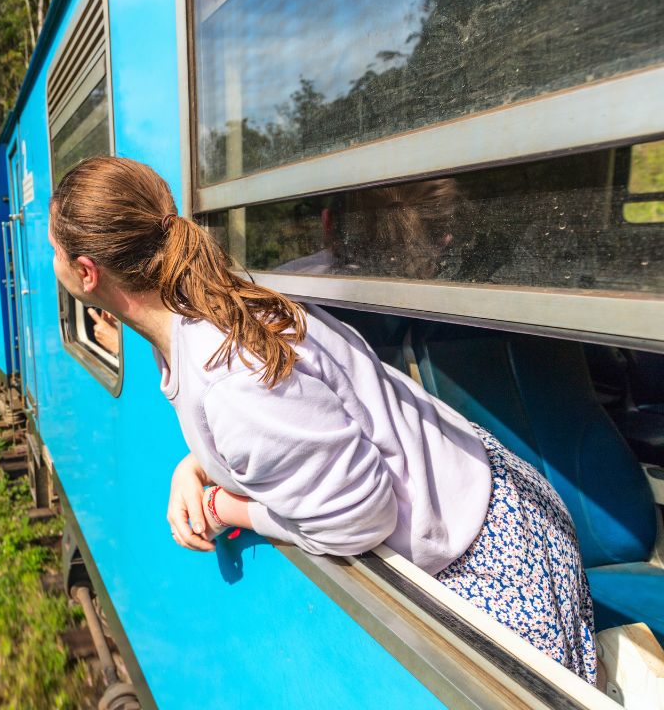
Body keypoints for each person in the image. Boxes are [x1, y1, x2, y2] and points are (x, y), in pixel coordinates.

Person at [47, 156, 596, 684]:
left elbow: (359, 520)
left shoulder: (226, 378)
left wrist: (223, 507)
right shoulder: (203, 310)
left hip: (492, 558)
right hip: (481, 495)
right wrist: (194, 467)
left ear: (87, 272)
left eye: (55, 251)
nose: (52, 263)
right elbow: (299, 419)